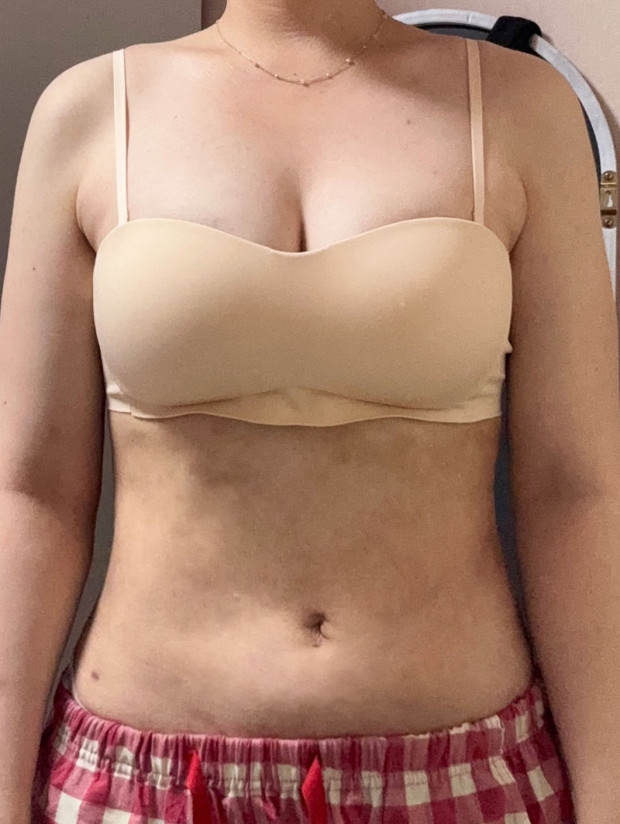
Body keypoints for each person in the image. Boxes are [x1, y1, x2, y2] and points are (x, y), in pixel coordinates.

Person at [1, 0, 616, 821]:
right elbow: (32, 492)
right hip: (142, 784)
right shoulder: (89, 111)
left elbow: (575, 492)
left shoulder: (522, 108)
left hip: (466, 776)